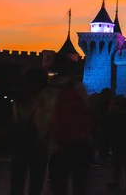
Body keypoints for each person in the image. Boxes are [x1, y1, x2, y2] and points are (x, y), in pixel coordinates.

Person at [48, 61, 93, 195]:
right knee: (80, 183)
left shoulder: (49, 91)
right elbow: (89, 111)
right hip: (80, 142)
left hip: (59, 144)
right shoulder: (79, 89)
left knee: (59, 185)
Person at [9, 69, 49, 195]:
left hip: (19, 144)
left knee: (17, 180)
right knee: (36, 182)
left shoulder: (18, 98)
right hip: (39, 145)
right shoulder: (46, 98)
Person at [107, 97, 126, 190]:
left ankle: (116, 182)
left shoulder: (116, 116)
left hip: (118, 142)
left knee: (117, 164)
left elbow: (112, 129)